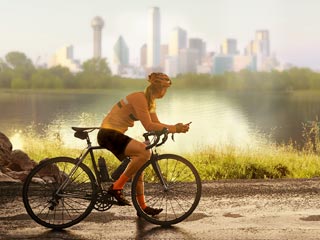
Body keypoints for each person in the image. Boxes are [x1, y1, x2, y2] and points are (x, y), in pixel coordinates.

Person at [97, 72, 190, 216]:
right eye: (165, 88)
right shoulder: (140, 98)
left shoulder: (150, 102)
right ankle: (117, 187)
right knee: (144, 152)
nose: (166, 92)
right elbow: (148, 125)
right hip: (108, 134)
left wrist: (175, 128)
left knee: (139, 165)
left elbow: (156, 124)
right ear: (159, 88)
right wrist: (174, 129)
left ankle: (142, 208)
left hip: (115, 134)